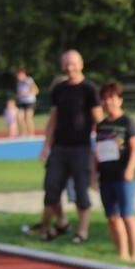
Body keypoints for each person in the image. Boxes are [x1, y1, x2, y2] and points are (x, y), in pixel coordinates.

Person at [38, 49, 102, 244]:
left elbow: (98, 120)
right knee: (51, 188)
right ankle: (62, 221)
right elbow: (53, 119)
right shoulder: (59, 89)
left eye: (73, 64)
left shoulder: (89, 89)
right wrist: (46, 145)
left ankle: (82, 231)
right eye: (66, 64)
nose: (69, 68)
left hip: (81, 148)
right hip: (60, 148)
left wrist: (101, 147)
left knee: (81, 191)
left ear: (81, 64)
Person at [93, 81, 135, 263]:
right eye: (104, 99)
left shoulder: (127, 122)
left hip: (123, 176)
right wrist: (94, 173)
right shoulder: (101, 125)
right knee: (112, 217)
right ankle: (122, 253)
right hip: (106, 176)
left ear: (119, 100)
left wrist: (129, 170)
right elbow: (96, 151)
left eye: (112, 99)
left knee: (127, 215)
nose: (108, 103)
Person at [14, 66, 39, 137]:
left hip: (30, 101)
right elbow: (19, 93)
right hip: (22, 102)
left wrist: (26, 93)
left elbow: (36, 90)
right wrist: (18, 95)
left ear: (23, 74)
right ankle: (23, 132)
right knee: (20, 117)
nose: (17, 77)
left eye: (18, 75)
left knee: (28, 117)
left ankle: (31, 133)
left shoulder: (29, 80)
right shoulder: (18, 83)